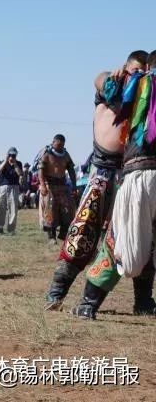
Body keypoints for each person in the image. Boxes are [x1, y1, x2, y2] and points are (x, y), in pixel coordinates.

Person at [69, 51, 156, 318]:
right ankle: (142, 303)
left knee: (121, 240)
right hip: (140, 171)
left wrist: (115, 76)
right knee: (146, 242)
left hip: (140, 175)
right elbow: (100, 81)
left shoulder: (136, 84)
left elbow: (101, 81)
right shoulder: (138, 83)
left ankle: (88, 303)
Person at [39, 134, 77, 246]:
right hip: (49, 186)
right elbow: (40, 171)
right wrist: (42, 185)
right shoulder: (47, 154)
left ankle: (63, 234)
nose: (60, 146)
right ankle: (52, 237)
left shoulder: (66, 155)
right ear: (53, 142)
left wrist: (74, 186)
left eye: (62, 144)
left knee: (68, 210)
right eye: (58, 143)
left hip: (62, 186)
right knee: (51, 211)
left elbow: (71, 171)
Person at [0, 147, 23, 234]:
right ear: (7, 154)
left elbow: (20, 173)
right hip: (2, 187)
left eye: (13, 155)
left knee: (13, 208)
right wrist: (6, 161)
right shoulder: (3, 162)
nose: (12, 157)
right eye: (10, 155)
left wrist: (14, 164)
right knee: (0, 207)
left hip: (14, 187)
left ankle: (11, 229)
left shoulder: (18, 163)